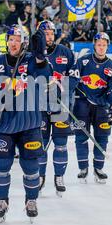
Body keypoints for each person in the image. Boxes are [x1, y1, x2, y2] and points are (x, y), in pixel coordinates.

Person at [0, 24, 52, 223]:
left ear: (24, 42)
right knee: (2, 165)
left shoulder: (32, 60)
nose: (13, 43)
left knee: (31, 166)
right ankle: (2, 201)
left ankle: (31, 200)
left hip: (29, 123)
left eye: (17, 40)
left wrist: (40, 57)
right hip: (4, 125)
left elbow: (44, 74)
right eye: (10, 39)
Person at [69, 32, 112, 183]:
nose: (101, 47)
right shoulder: (83, 61)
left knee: (102, 138)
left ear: (107, 46)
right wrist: (65, 97)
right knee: (81, 137)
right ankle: (83, 168)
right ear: (94, 45)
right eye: (99, 44)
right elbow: (72, 80)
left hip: (101, 107)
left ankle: (98, 168)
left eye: (104, 45)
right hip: (82, 105)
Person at [36, 20, 75, 196]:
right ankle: (40, 176)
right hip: (39, 107)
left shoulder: (66, 53)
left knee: (60, 144)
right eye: (45, 34)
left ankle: (59, 176)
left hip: (60, 105)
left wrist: (65, 89)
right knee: (40, 144)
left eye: (51, 33)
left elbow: (74, 75)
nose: (48, 36)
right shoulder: (32, 54)